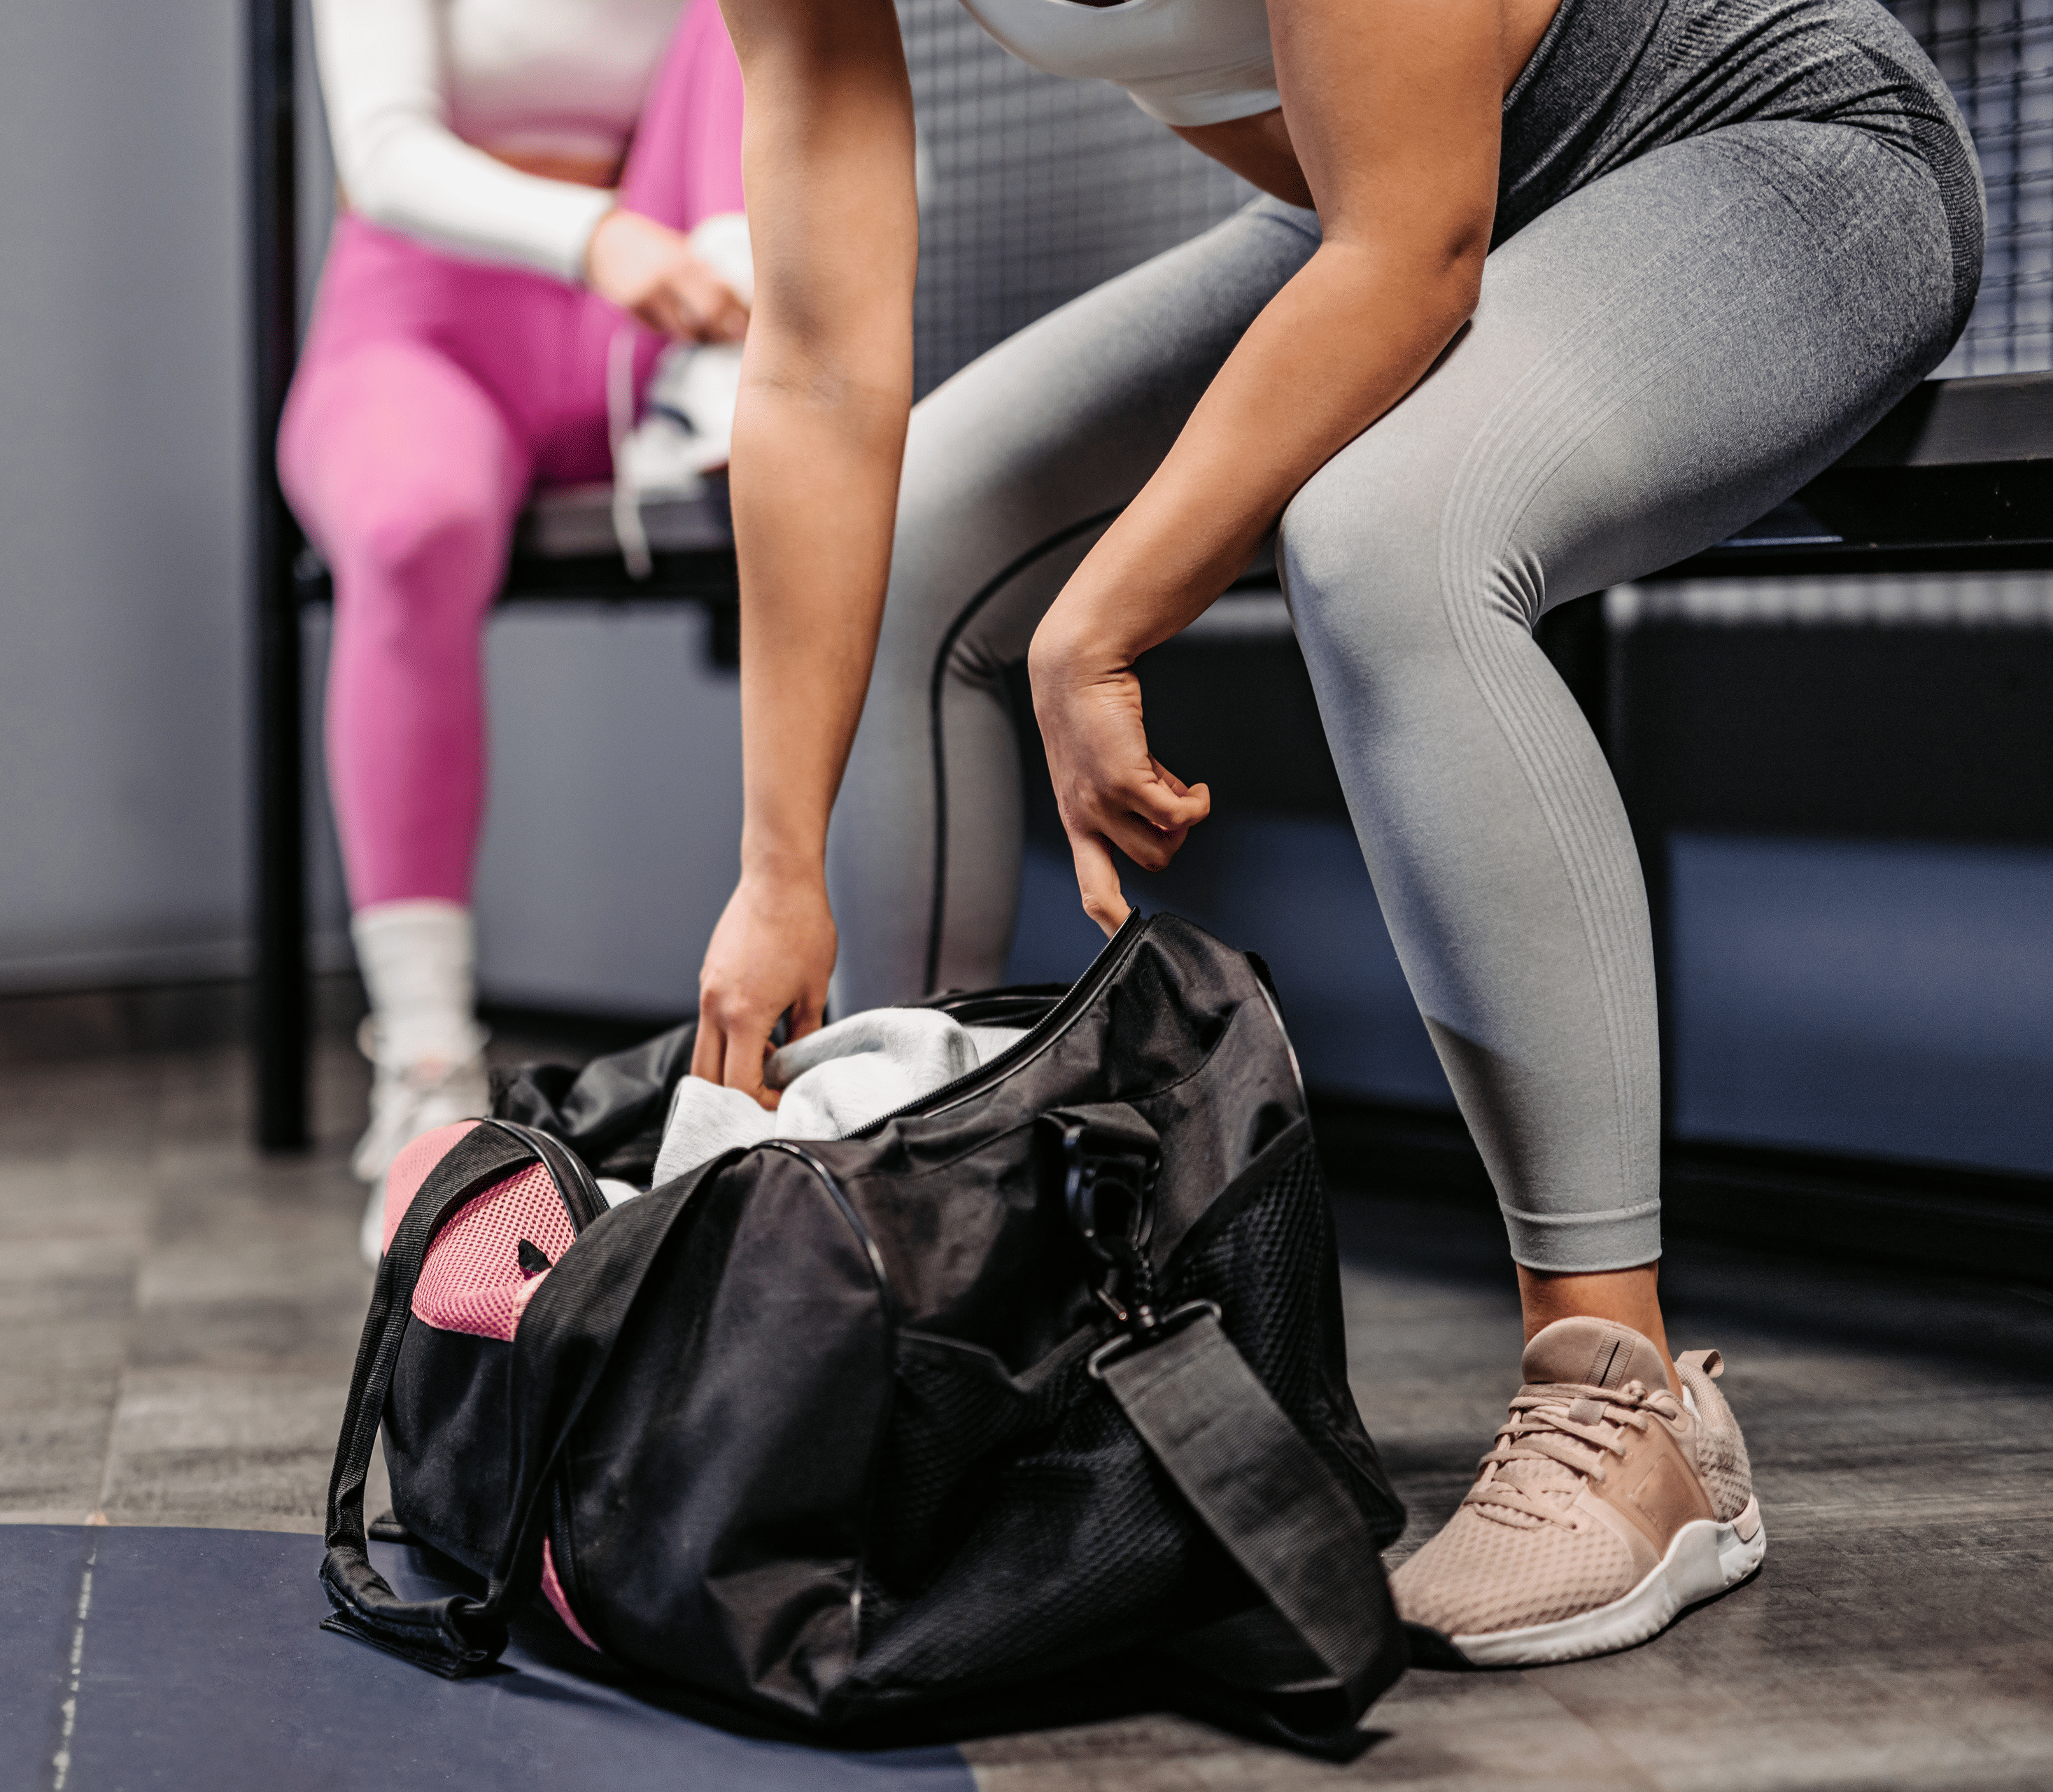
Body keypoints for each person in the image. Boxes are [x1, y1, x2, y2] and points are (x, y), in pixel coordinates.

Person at [693, 0, 1977, 1663]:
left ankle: (1628, 1399)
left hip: (1756, 141)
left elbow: (1415, 250)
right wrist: (774, 865)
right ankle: (927, 1285)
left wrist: (1100, 624)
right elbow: (818, 361)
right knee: (941, 509)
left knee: (1385, 537)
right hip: (1369, 209)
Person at [287, 0, 751, 1262]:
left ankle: (838, 1061)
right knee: (413, 526)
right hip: (432, 319)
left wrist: (722, 280)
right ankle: (427, 1064)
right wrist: (596, 237)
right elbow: (383, 152)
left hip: (669, 320)